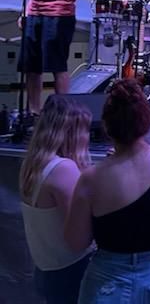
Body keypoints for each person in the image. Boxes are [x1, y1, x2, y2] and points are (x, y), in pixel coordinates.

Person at [64, 79, 150, 302]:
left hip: (108, 281)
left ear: (107, 127)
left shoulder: (90, 179)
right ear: (146, 122)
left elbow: (75, 242)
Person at [20, 96, 94, 304]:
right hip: (71, 271)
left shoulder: (35, 163)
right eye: (85, 131)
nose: (88, 138)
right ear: (71, 132)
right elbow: (82, 233)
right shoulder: (64, 168)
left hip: (48, 269)